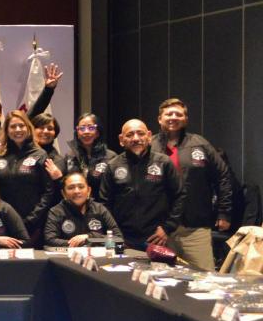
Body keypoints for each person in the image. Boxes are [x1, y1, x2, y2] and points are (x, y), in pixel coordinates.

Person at [149, 98, 233, 270]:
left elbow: (223, 176)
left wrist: (224, 212)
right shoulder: (150, 146)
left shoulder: (199, 144)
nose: (173, 117)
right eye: (169, 114)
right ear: (159, 119)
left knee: (204, 277)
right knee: (161, 277)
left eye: (178, 114)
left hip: (195, 227)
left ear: (185, 119)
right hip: (160, 229)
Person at [101, 119, 185, 249]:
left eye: (140, 133)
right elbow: (105, 204)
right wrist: (114, 233)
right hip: (123, 239)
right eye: (129, 135)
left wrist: (167, 228)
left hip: (157, 238)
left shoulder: (163, 162)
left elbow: (180, 196)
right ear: (121, 140)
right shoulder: (113, 166)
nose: (136, 138)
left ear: (149, 136)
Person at [0, 110, 58, 242]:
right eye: (13, 126)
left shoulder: (40, 154)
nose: (18, 129)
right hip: (2, 222)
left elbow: (48, 191)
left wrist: (32, 219)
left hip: (33, 224)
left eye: (21, 125)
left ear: (28, 128)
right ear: (6, 130)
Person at [44, 172, 121, 248]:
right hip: (68, 255)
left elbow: (118, 239)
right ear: (63, 193)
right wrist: (81, 244)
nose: (77, 191)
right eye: (71, 188)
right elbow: (50, 240)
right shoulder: (56, 212)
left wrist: (89, 237)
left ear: (89, 190)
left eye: (81, 187)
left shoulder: (100, 209)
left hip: (97, 255)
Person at [65, 112, 116, 202]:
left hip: (102, 206)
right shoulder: (70, 155)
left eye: (91, 128)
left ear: (98, 132)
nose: (86, 132)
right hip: (75, 205)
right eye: (82, 128)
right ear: (77, 133)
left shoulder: (110, 156)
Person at [30, 113, 66, 182]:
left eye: (50, 129)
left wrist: (58, 178)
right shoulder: (23, 152)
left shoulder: (57, 161)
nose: (46, 131)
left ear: (55, 133)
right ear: (32, 130)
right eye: (41, 127)